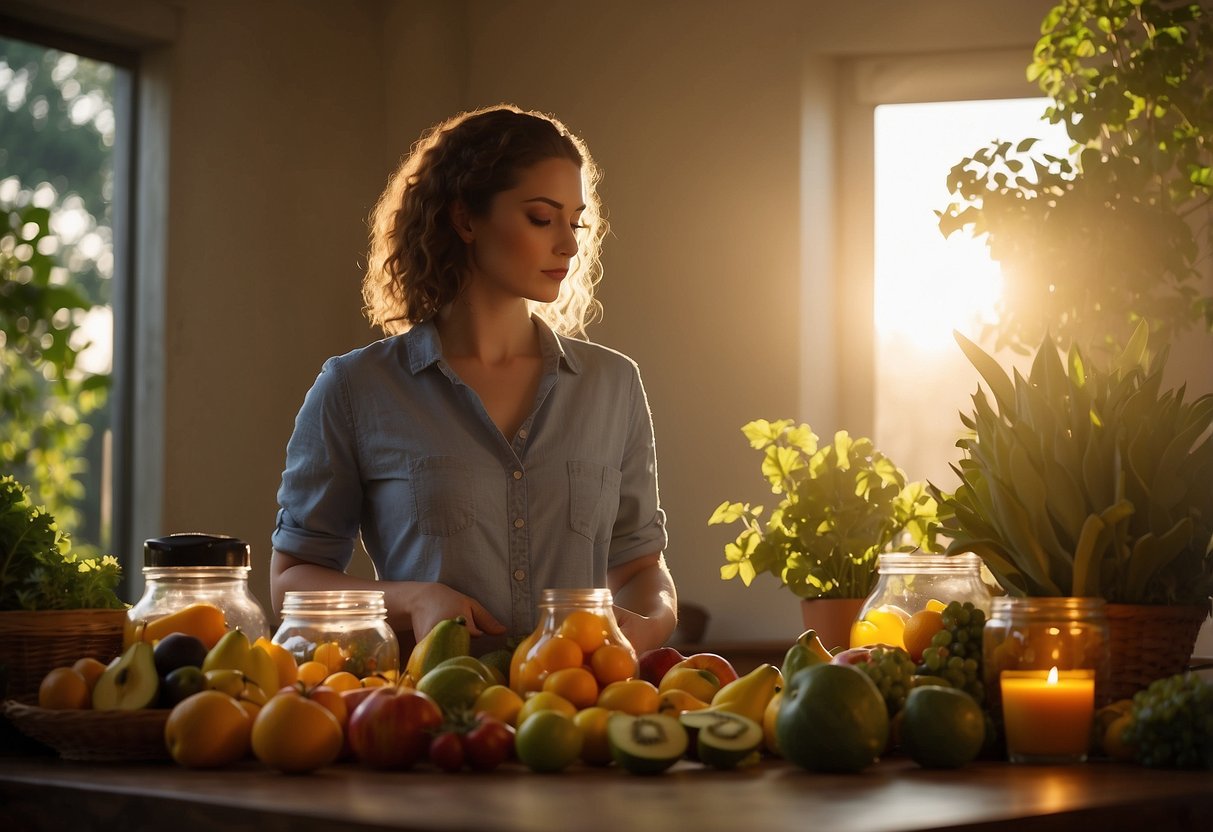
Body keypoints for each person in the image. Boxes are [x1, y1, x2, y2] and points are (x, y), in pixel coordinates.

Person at [270, 104, 677, 656]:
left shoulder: (614, 385)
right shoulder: (355, 389)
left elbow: (639, 566)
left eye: (575, 221)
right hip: (431, 719)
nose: (570, 244)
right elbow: (292, 579)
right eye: (541, 217)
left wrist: (655, 619)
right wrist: (415, 598)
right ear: (465, 220)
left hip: (582, 715)